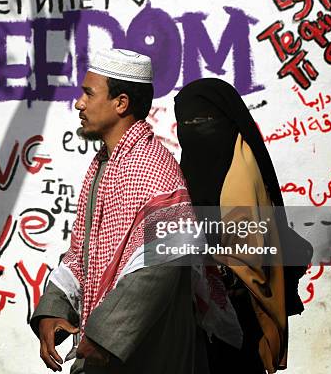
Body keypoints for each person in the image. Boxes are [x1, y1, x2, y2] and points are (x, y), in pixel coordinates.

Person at [30, 49, 211, 373]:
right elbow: (85, 252)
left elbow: (159, 268)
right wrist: (54, 308)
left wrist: (103, 338)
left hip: (148, 355)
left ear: (121, 103)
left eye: (88, 93)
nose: (79, 104)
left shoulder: (153, 170)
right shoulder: (106, 164)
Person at [174, 78, 308, 373]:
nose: (194, 129)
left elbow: (251, 262)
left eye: (203, 120)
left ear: (225, 121)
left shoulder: (242, 175)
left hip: (240, 320)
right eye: (186, 122)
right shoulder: (188, 172)